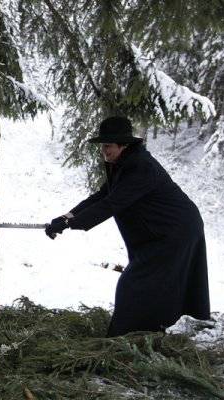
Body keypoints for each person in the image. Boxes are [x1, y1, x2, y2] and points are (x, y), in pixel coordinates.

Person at [45, 116, 210, 337]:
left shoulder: (141, 167)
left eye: (108, 146)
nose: (103, 151)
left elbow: (113, 203)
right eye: (102, 146)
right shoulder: (123, 164)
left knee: (135, 285)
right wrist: (65, 217)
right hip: (158, 234)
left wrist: (71, 223)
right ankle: (148, 332)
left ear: (124, 144)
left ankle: (121, 339)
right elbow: (102, 195)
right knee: (150, 285)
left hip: (174, 232)